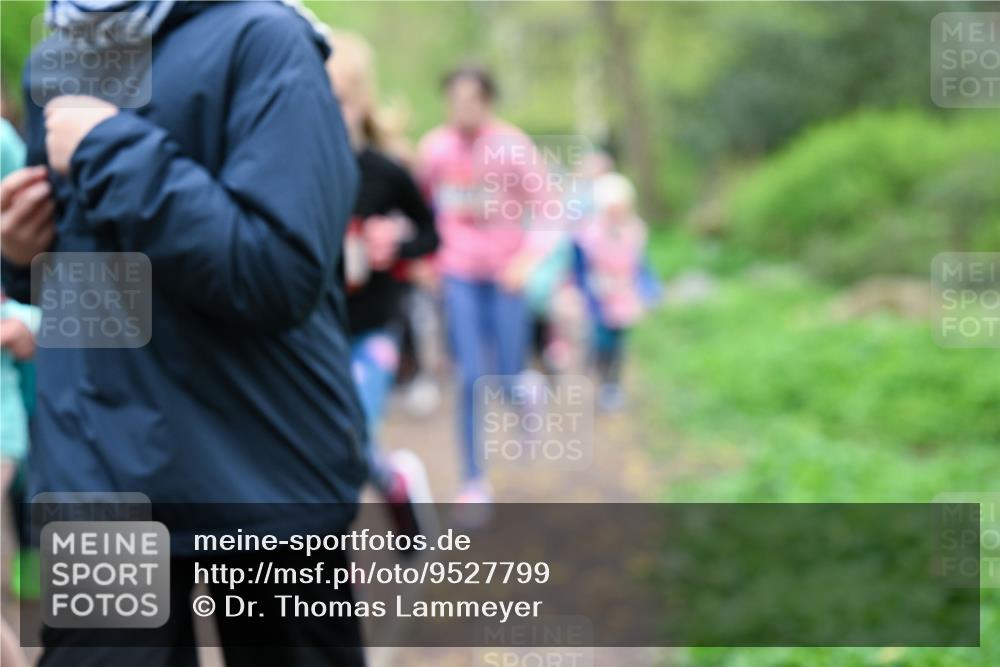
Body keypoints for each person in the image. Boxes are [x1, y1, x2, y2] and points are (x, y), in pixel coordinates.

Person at [1, 2, 366, 665]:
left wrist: (109, 148)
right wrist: (23, 258)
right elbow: (92, 280)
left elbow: (277, 274)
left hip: (263, 464)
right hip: (98, 477)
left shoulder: (267, 40)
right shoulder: (59, 53)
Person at [417, 66, 558, 503]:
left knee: (505, 375)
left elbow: (549, 207)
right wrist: (424, 261)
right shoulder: (435, 149)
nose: (463, 108)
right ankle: (473, 479)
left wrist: (529, 259)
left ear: (488, 101)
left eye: (471, 99)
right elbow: (419, 209)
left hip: (506, 276)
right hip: (458, 273)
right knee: (470, 376)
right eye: (455, 99)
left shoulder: (513, 146)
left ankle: (524, 393)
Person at [326, 30, 438, 538]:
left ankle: (379, 500)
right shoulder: (299, 172)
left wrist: (398, 243)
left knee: (352, 436)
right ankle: (394, 481)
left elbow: (431, 232)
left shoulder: (386, 172)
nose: (331, 113)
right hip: (319, 330)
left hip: (374, 326)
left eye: (341, 101)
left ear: (361, 101)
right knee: (330, 440)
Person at [573, 172, 649, 412]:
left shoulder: (635, 230)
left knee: (619, 342)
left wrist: (648, 289)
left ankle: (612, 384)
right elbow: (579, 267)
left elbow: (641, 265)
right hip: (599, 294)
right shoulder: (590, 233)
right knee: (602, 339)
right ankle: (601, 373)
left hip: (624, 294)